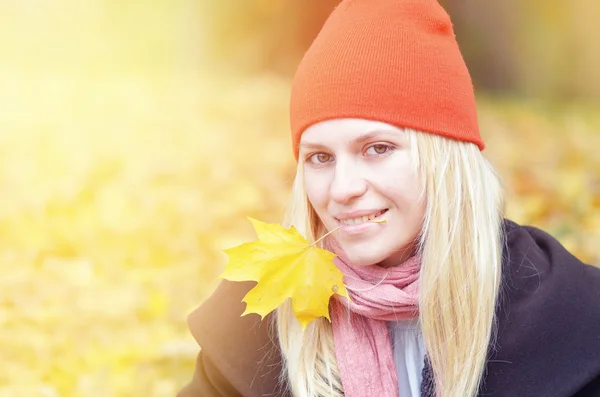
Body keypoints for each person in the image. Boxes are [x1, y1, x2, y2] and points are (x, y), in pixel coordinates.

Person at [177, 0, 600, 396]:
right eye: (320, 157)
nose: (342, 189)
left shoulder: (565, 317)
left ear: (445, 159)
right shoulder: (261, 316)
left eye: (377, 148)